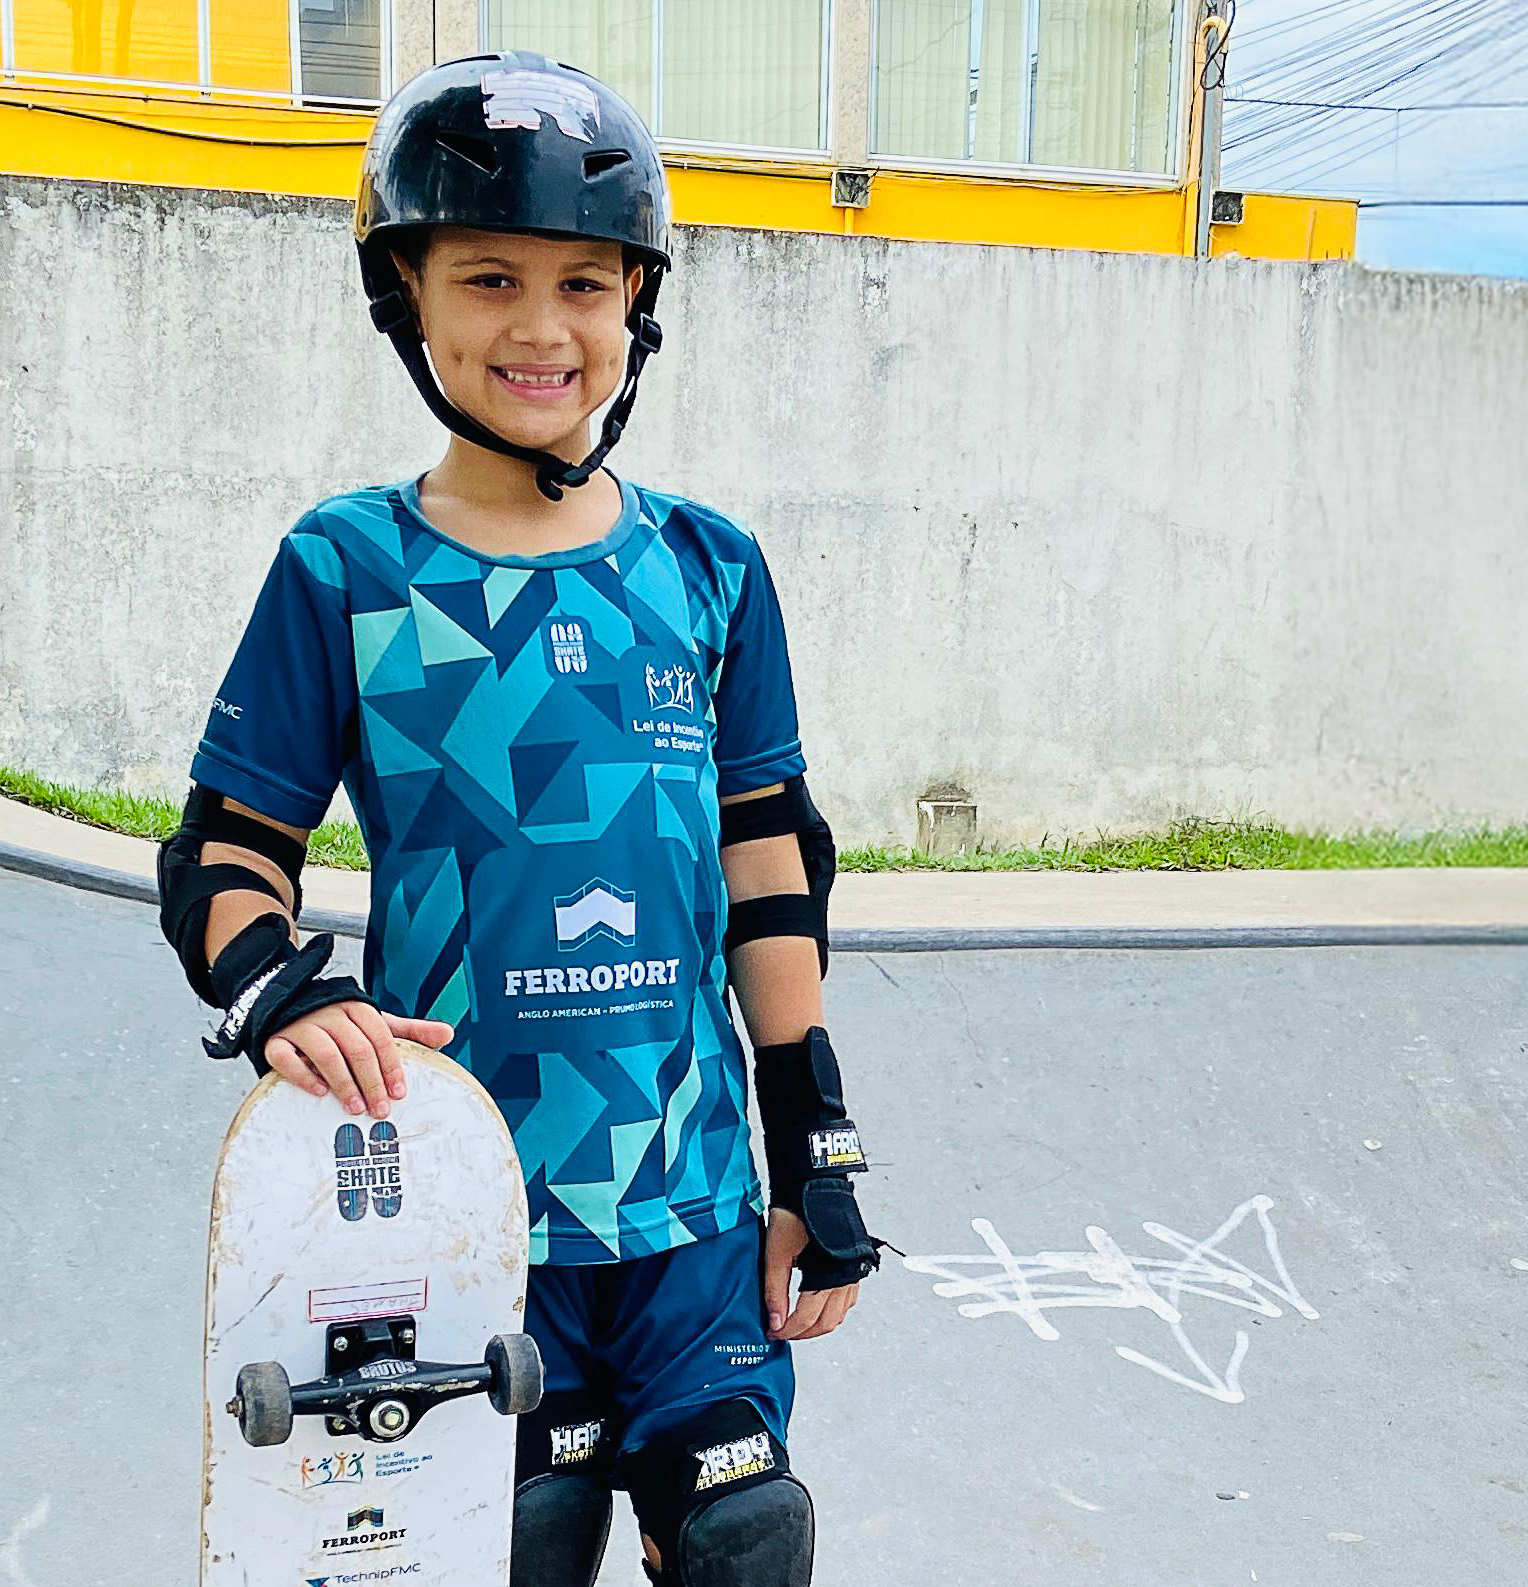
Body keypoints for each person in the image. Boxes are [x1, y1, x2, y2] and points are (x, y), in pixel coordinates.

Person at [156, 50, 882, 1587]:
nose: (542, 329)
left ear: (638, 306)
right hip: (463, 1216)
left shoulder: (712, 567)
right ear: (406, 296)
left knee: (752, 1541)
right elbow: (223, 852)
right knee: (515, 1546)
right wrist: (280, 987)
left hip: (688, 1210)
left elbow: (770, 867)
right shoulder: (347, 570)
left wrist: (812, 1141)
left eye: (584, 284)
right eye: (489, 278)